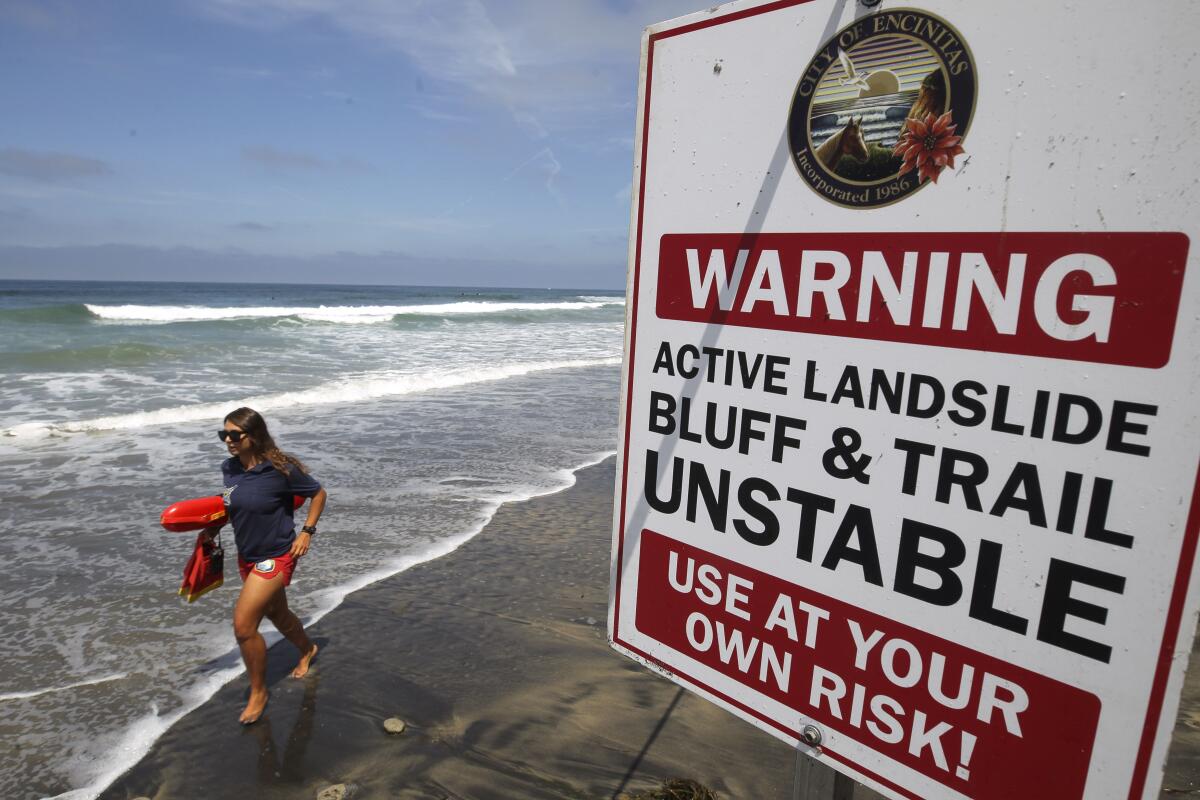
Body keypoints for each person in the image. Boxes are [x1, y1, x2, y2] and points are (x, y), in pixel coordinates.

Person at [202, 407, 327, 725]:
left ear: (253, 436)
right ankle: (307, 649)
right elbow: (233, 504)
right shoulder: (229, 468)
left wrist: (307, 532)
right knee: (278, 614)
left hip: (276, 555)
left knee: (244, 627)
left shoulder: (280, 470)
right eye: (223, 434)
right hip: (247, 556)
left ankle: (259, 692)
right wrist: (213, 527)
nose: (228, 440)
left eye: (234, 435)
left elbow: (318, 493)